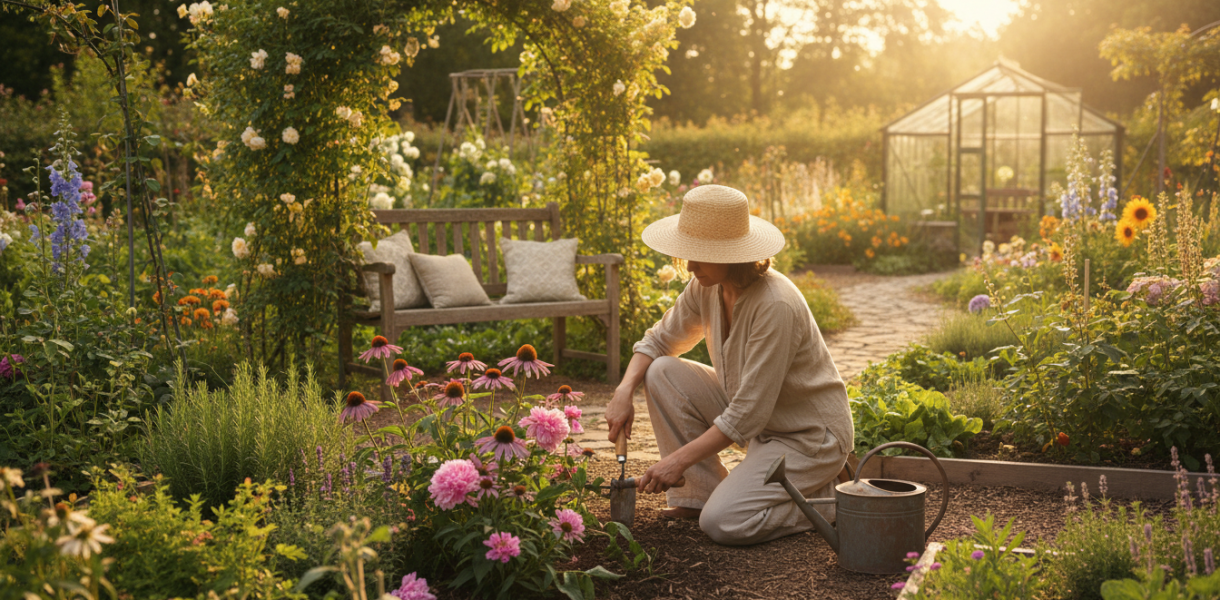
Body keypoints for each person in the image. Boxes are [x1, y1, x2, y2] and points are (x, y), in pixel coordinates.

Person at [604, 184, 853, 546]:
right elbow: (658, 341)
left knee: (724, 522)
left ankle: (828, 499)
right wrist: (623, 392)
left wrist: (676, 462)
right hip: (762, 423)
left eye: (700, 256)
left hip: (808, 437)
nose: (689, 266)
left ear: (732, 253)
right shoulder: (706, 285)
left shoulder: (775, 306)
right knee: (660, 371)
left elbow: (745, 415)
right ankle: (697, 495)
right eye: (688, 254)